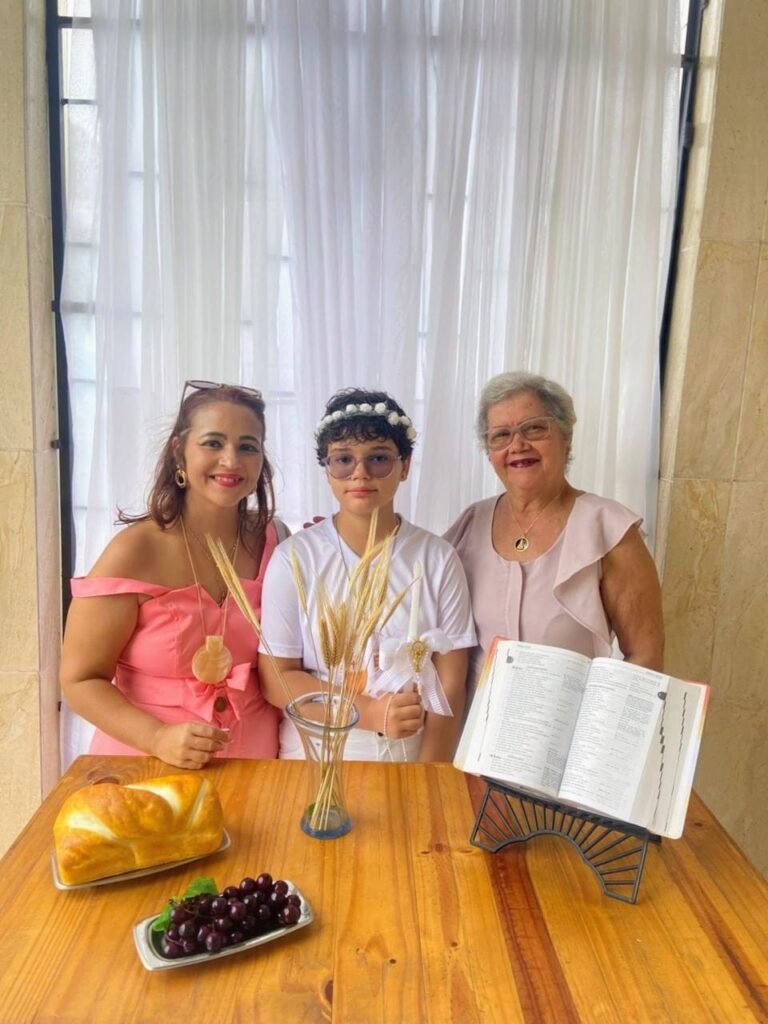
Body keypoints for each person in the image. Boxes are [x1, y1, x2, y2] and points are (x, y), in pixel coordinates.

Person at [60, 381, 285, 769]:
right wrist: (156, 737)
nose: (231, 459)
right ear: (179, 451)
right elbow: (80, 679)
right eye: (213, 443)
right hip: (146, 765)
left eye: (248, 446)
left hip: (256, 766)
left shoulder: (275, 538)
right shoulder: (134, 550)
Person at [258, 388, 476, 761]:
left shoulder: (438, 558)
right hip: (312, 755)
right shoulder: (294, 557)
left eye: (378, 458)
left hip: (408, 756)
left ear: (404, 466)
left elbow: (450, 681)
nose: (360, 473)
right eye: (343, 460)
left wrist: (430, 774)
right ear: (327, 470)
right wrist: (368, 712)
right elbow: (276, 679)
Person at [444, 371, 664, 693]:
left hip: (569, 724)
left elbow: (645, 657)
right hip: (473, 723)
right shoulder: (469, 525)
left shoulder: (610, 531)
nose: (518, 445)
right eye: (501, 435)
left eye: (534, 428)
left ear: (565, 436)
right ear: (489, 451)